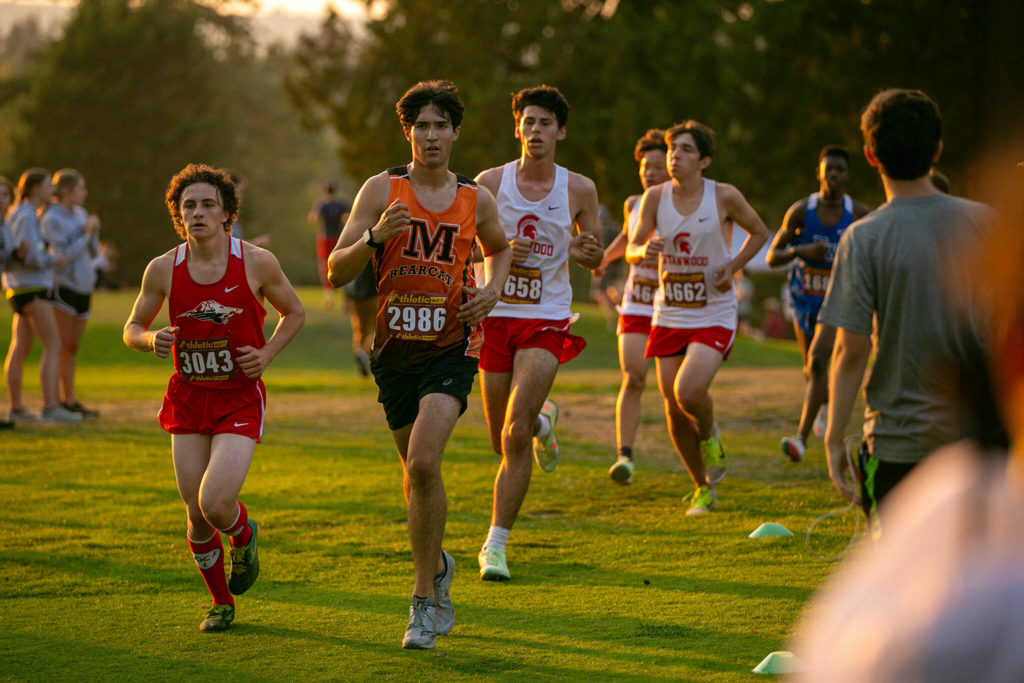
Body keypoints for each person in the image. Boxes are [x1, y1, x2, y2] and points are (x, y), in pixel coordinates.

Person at [327, 80, 510, 650]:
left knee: (426, 463)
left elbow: (498, 248)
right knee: (415, 477)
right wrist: (374, 239)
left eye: (441, 125)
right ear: (408, 133)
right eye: (421, 126)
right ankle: (438, 566)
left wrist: (493, 290)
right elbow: (335, 270)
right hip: (394, 356)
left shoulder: (475, 198)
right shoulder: (383, 189)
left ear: (456, 132)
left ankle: (422, 603)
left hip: (452, 348)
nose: (431, 135)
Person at [123, 163, 305, 633]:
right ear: (178, 217)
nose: (198, 212)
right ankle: (220, 602)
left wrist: (264, 355)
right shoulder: (163, 269)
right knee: (195, 514)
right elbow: (132, 327)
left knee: (215, 502)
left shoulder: (257, 262)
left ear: (226, 213)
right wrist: (150, 340)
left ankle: (244, 534)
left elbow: (295, 312)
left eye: (207, 204)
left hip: (239, 398)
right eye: (189, 206)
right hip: (189, 398)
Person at [822, 89, 1004, 531]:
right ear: (937, 150)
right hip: (980, 443)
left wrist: (831, 438)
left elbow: (851, 350)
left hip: (895, 445)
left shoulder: (863, 238)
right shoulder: (987, 223)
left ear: (870, 155)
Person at [474, 85, 603, 581]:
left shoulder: (579, 189)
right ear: (517, 128)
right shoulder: (488, 183)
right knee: (500, 440)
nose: (536, 130)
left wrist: (590, 253)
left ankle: (496, 545)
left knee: (513, 434)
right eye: (528, 122)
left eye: (545, 123)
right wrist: (503, 249)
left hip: (547, 316)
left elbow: (593, 253)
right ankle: (544, 421)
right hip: (495, 315)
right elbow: (466, 248)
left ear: (561, 131)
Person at [626, 121, 770, 515]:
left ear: (704, 160)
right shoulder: (654, 198)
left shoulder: (723, 196)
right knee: (672, 408)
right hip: (669, 311)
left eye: (686, 150)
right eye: (673, 149)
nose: (675, 155)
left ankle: (709, 433)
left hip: (713, 310)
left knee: (687, 392)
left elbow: (758, 232)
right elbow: (633, 248)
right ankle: (702, 486)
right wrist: (644, 253)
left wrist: (734, 266)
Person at [765, 146, 869, 462]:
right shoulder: (801, 211)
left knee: (820, 360)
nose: (834, 175)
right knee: (812, 369)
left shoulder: (859, 214)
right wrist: (800, 251)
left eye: (840, 170)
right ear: (819, 172)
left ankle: (801, 438)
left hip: (838, 300)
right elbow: (772, 257)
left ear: (847, 175)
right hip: (803, 299)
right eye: (829, 169)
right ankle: (823, 405)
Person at [596, 128, 670, 485]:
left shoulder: (683, 206)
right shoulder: (633, 204)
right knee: (635, 378)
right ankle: (625, 456)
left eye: (658, 166)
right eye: (645, 166)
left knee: (678, 390)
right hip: (637, 301)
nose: (650, 172)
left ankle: (707, 436)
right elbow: (627, 236)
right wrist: (604, 259)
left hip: (673, 306)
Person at [2, 168, 81, 423]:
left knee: (21, 348)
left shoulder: (24, 214)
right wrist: (52, 259)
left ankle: (17, 409)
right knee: (54, 344)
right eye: (49, 186)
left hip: (19, 287)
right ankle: (50, 407)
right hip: (31, 288)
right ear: (36, 188)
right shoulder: (26, 215)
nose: (53, 191)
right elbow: (29, 257)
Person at [42, 169, 102, 417]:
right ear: (67, 191)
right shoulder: (51, 217)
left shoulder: (81, 213)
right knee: (61, 345)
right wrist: (86, 234)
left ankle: (70, 398)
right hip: (64, 286)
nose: (84, 193)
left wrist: (93, 232)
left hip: (83, 287)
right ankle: (56, 402)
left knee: (73, 347)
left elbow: (92, 251)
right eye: (81, 188)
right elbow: (63, 258)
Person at [0, 175, 29, 428]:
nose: (2, 199)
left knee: (16, 346)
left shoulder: (6, 224)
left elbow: (10, 258)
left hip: (8, 287)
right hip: (21, 289)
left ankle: (10, 409)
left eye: (5, 195)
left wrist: (20, 254)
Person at [307, 181, 351, 309]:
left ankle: (329, 297)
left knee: (325, 265)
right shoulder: (341, 204)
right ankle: (346, 297)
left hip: (325, 238)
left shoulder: (321, 204)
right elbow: (349, 216)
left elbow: (313, 218)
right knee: (342, 264)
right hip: (338, 237)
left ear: (324, 191)